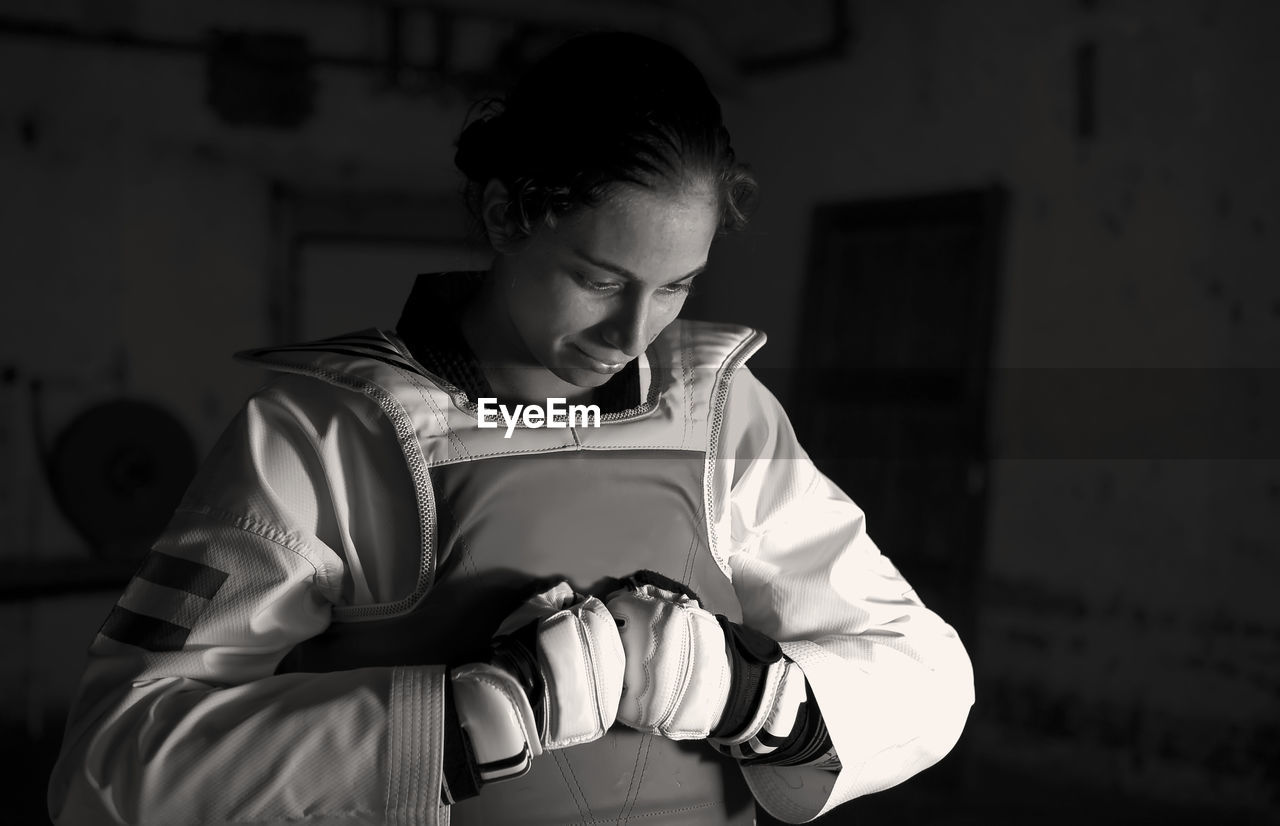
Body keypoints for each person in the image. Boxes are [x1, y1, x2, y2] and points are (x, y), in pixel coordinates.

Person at [48, 32, 974, 826]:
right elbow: (112, 766)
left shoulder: (725, 416)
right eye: (601, 280)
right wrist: (451, 725)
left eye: (679, 286)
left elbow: (930, 676)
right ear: (503, 215)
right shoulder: (324, 435)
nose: (632, 331)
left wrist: (756, 698)